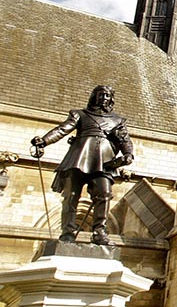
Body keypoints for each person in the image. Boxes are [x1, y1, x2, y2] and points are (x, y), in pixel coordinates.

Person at [31, 85, 134, 245]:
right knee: (71, 197)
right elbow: (62, 130)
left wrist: (128, 154)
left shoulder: (117, 121)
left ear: (110, 99)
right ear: (94, 97)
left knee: (104, 194)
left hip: (104, 161)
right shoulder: (80, 114)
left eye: (107, 95)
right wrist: (44, 140)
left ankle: (99, 232)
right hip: (79, 157)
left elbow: (124, 140)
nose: (103, 98)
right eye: (100, 95)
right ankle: (67, 233)